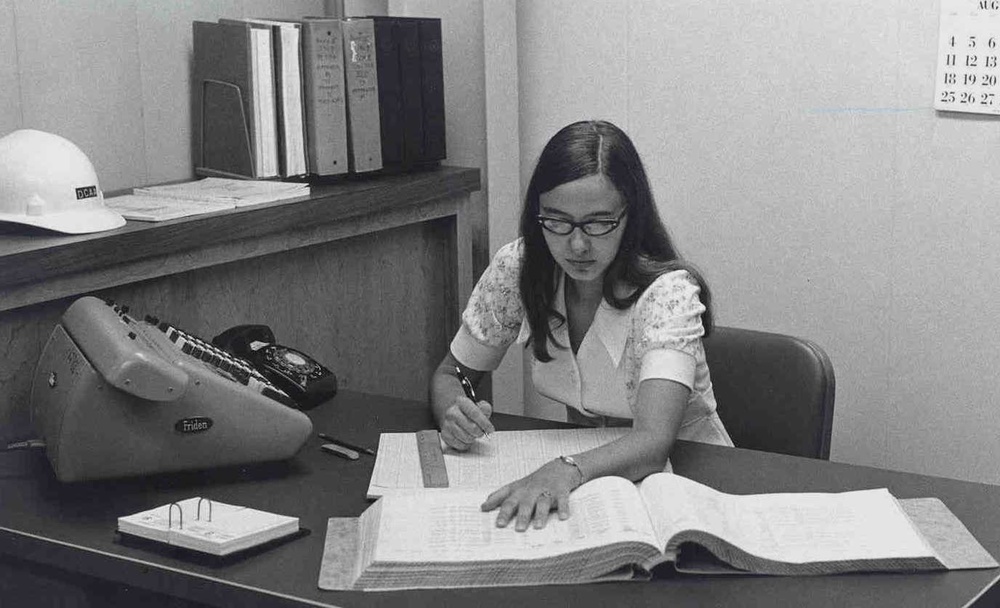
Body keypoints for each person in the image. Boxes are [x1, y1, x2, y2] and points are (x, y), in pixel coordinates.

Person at [429, 119, 733, 533]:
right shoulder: (519, 268)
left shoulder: (668, 293)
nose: (577, 244)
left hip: (690, 480)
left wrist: (564, 469)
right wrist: (452, 411)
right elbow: (451, 374)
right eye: (557, 221)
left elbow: (652, 442)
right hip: (594, 483)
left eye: (599, 223)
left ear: (631, 217)